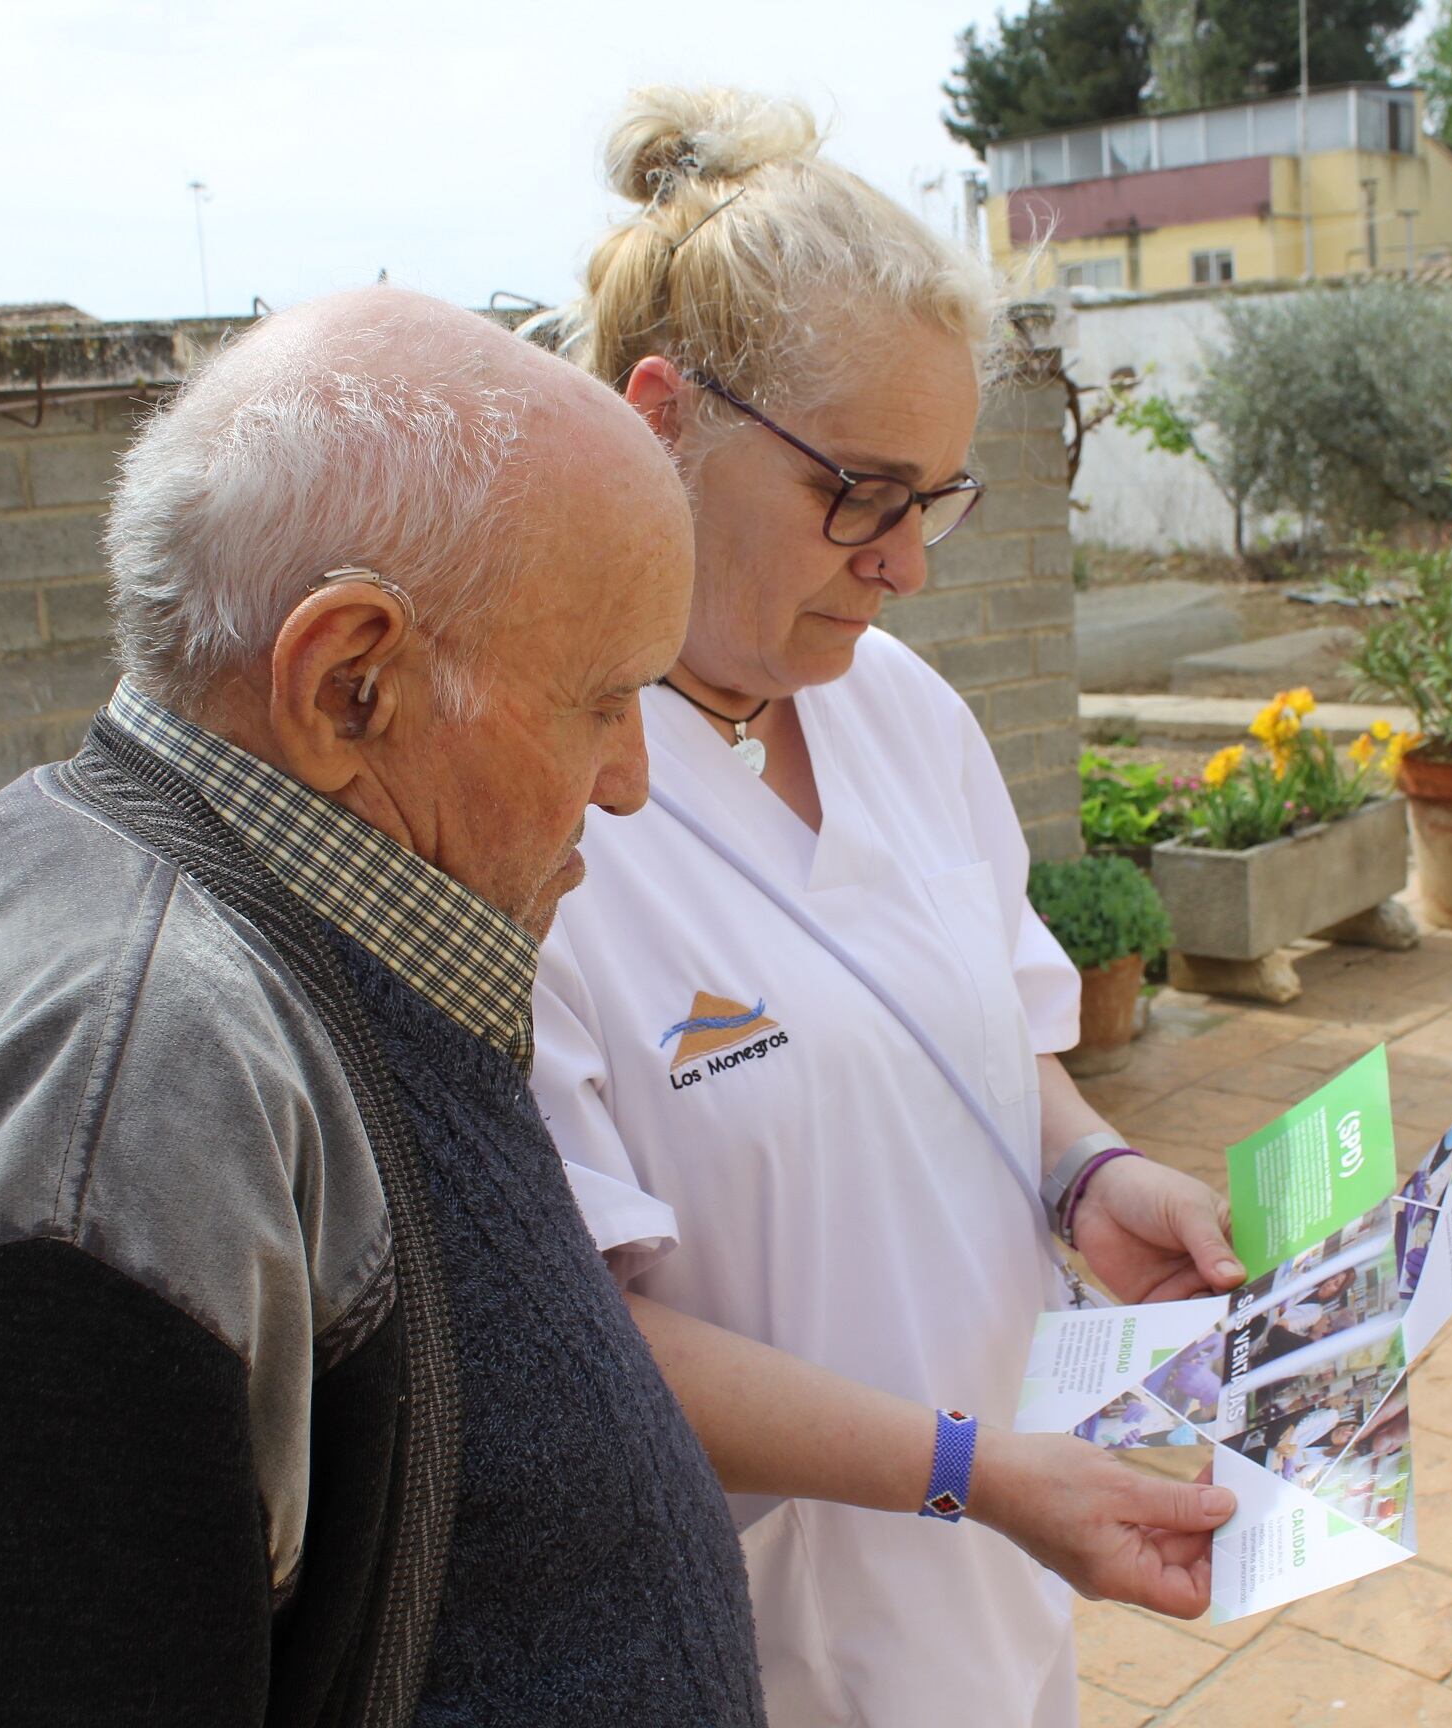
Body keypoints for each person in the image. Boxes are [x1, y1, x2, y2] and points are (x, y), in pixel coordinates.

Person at [0, 289, 764, 1727]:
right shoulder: (123, 1099)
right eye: (604, 701)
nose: (630, 778)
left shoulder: (261, 945)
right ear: (349, 684)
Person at [526, 89, 1248, 1727]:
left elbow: (987, 1037)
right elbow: (584, 1340)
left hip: (997, 1597)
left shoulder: (900, 709)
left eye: (935, 498)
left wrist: (1090, 1174)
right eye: (861, 492)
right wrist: (969, 1474)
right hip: (757, 1655)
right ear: (659, 421)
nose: (907, 562)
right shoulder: (527, 818)